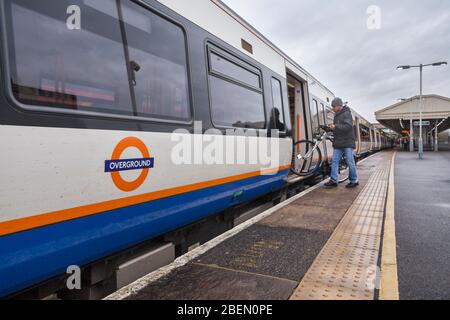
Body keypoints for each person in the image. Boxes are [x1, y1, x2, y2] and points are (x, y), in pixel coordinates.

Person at [324, 98, 359, 188]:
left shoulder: (346, 113)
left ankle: (354, 180)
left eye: (333, 106)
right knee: (334, 161)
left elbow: (348, 127)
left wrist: (336, 126)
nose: (332, 108)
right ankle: (333, 180)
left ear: (339, 105)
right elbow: (338, 129)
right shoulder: (336, 115)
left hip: (347, 142)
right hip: (338, 143)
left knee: (350, 162)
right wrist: (330, 128)